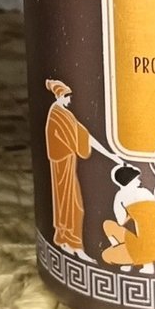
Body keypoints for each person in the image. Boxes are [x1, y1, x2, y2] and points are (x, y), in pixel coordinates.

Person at [43, 78, 97, 254]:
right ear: (61, 96)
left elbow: (83, 135)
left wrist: (109, 155)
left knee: (72, 204)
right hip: (62, 166)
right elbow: (77, 138)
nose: (70, 100)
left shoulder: (65, 114)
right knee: (70, 204)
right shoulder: (57, 115)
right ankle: (69, 241)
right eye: (68, 96)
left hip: (68, 165)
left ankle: (69, 242)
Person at [101, 161, 155, 273]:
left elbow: (121, 221)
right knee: (110, 226)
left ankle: (129, 258)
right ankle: (141, 261)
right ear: (129, 181)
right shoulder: (146, 192)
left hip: (144, 247)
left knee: (106, 255)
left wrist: (130, 214)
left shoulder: (121, 196)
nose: (139, 181)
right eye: (136, 179)